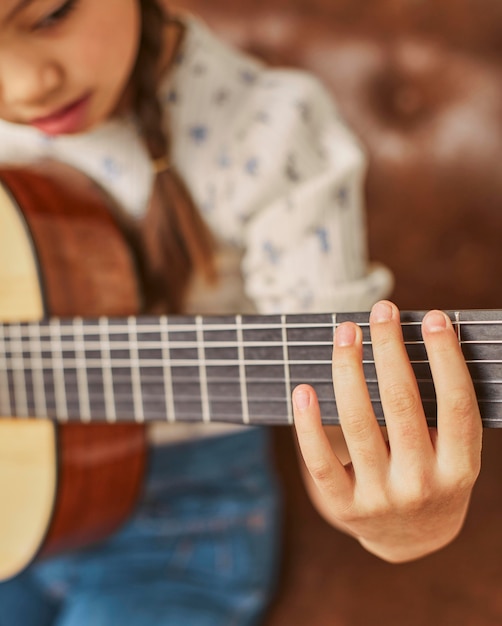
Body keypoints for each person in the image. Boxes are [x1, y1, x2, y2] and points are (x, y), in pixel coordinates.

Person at [0, 0, 482, 624]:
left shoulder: (267, 129)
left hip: (176, 532)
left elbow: (337, 422)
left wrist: (405, 527)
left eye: (49, 15)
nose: (28, 84)